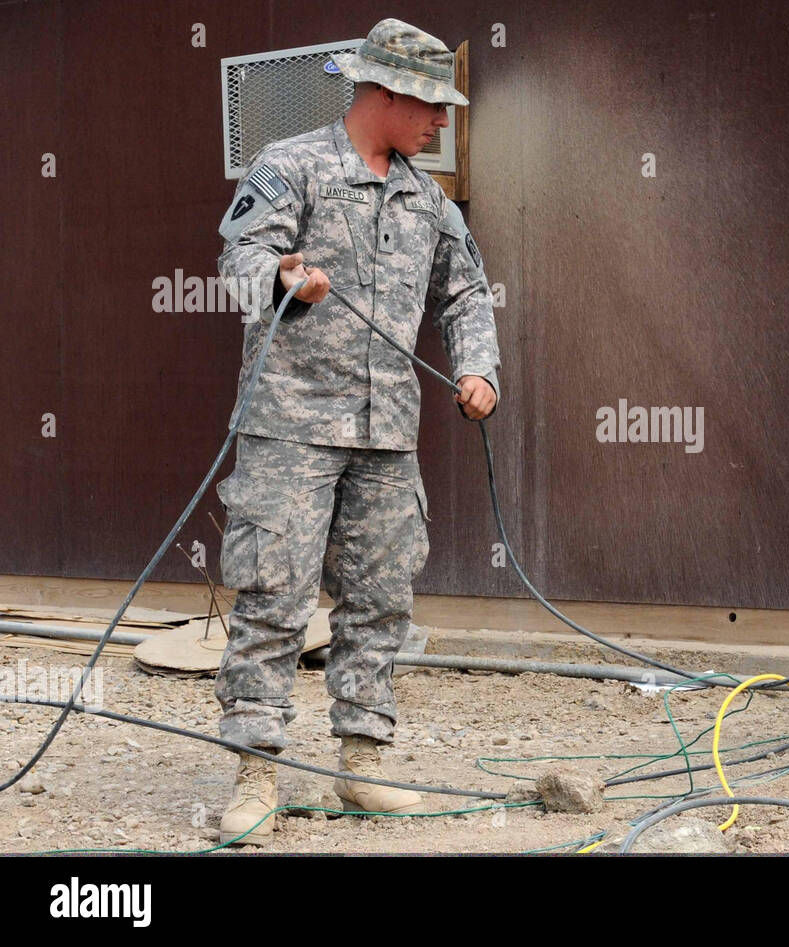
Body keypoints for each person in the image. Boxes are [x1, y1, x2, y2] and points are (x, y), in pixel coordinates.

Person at [212, 18, 501, 844]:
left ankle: (361, 764)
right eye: (432, 106)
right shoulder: (290, 165)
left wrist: (479, 367)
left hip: (386, 436)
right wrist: (283, 276)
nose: (441, 122)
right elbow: (239, 258)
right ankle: (256, 770)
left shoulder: (426, 199)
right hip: (291, 428)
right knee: (273, 596)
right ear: (384, 94)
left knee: (380, 601)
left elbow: (466, 293)